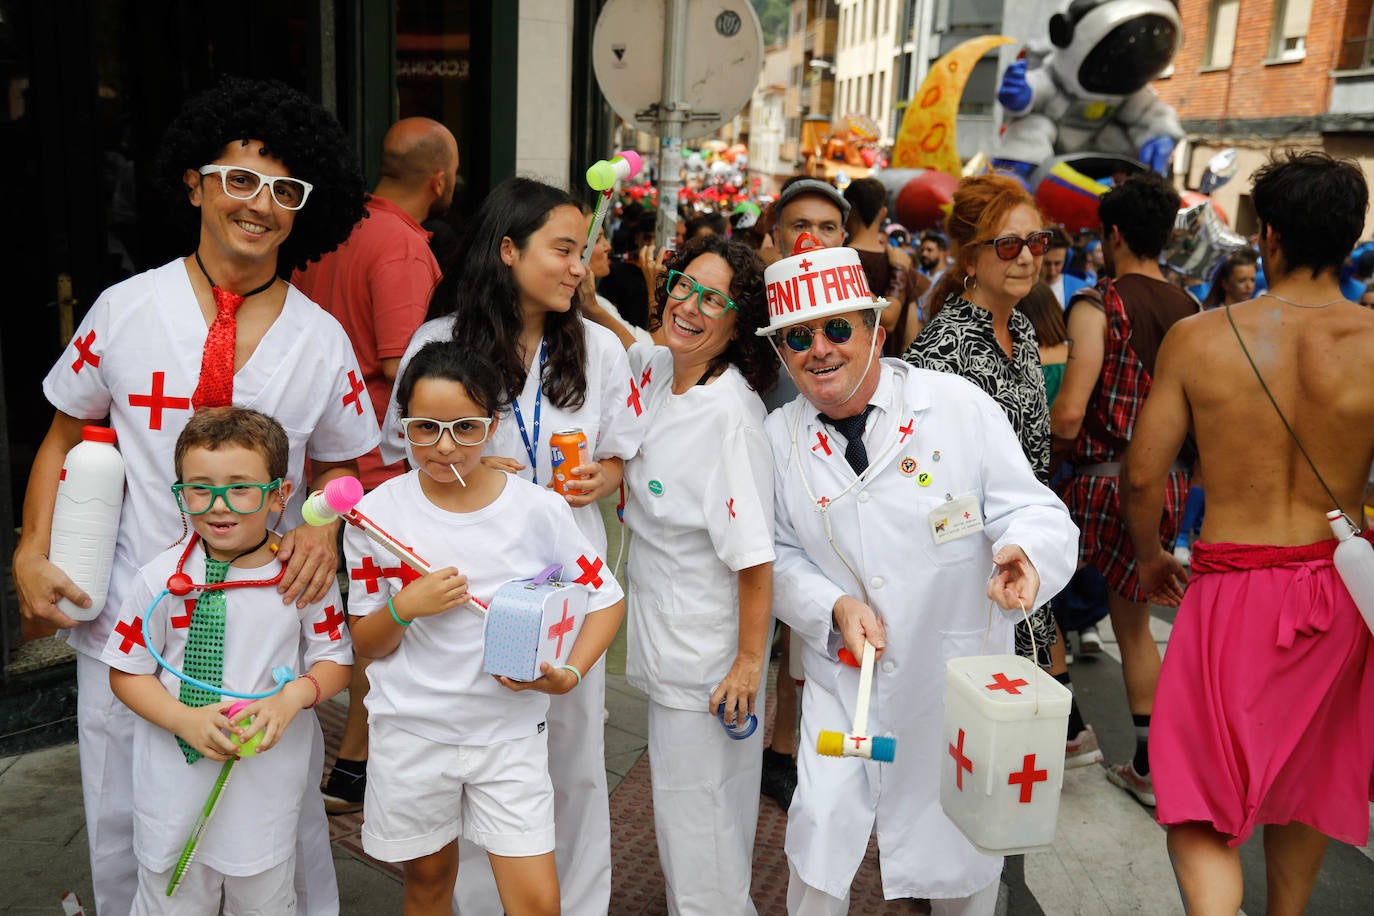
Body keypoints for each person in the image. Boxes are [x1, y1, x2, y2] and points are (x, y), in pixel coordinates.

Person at [14, 76, 375, 915]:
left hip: (266, 632)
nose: (260, 205)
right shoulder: (123, 308)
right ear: (195, 182)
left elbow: (356, 471)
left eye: (286, 190)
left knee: (278, 829)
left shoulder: (321, 341)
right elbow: (62, 437)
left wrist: (322, 526)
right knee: (122, 820)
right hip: (131, 625)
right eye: (240, 178)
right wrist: (31, 550)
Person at [761, 241, 1078, 913]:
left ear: (875, 328)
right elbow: (776, 554)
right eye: (797, 337)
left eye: (838, 328)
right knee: (819, 838)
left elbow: (1031, 506)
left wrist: (1023, 551)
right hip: (846, 684)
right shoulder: (776, 438)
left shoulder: (956, 408)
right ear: (781, 352)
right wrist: (832, 605)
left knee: (961, 855)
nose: (820, 349)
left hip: (952, 680)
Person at [1122, 150, 1374, 915]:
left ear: (1267, 237)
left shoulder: (1201, 339)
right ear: (1350, 238)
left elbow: (1142, 476)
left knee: (1198, 796)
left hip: (1231, 589)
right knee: (1306, 780)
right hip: (1338, 594)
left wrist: (1149, 555)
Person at [382, 176, 640, 915]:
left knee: (573, 756)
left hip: (567, 577)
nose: (577, 268)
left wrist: (602, 474)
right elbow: (404, 454)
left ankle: (575, 904)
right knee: (475, 750)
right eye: (563, 249)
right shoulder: (439, 344)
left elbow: (624, 450)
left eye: (581, 252)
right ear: (507, 250)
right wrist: (465, 465)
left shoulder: (595, 347)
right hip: (469, 580)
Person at [350, 340, 625, 915]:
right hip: (413, 732)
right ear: (401, 425)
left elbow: (605, 598)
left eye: (466, 428)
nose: (445, 446)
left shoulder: (537, 510)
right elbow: (366, 644)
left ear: (493, 424)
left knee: (538, 902)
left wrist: (570, 673)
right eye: (424, 427)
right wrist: (406, 608)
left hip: (510, 735)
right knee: (427, 883)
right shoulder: (376, 516)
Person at [103, 407, 353, 910]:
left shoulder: (301, 579)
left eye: (241, 488)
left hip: (264, 788)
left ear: (281, 495)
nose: (218, 506)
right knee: (169, 895)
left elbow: (336, 662)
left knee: (263, 895)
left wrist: (291, 700)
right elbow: (126, 672)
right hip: (171, 786)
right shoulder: (159, 579)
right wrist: (184, 720)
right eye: (199, 488)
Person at [291, 115, 459, 816]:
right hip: (376, 468)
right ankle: (355, 766)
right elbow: (407, 366)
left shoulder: (332, 228)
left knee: (332, 616)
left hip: (318, 459)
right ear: (440, 181)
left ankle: (325, 762)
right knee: (381, 622)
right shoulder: (400, 246)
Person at [904, 174, 1097, 770]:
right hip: (966, 573)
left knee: (1007, 762)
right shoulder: (945, 347)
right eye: (1008, 246)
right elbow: (924, 482)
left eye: (1036, 243)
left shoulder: (1021, 333)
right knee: (963, 751)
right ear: (971, 256)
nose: (1027, 259)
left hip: (1016, 564)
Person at [621, 235, 778, 913]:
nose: (689, 305)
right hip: (669, 644)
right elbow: (618, 330)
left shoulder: (729, 415)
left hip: (709, 665)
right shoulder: (664, 368)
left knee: (702, 836)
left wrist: (747, 664)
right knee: (694, 826)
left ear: (738, 324)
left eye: (714, 300)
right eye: (685, 284)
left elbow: (755, 556)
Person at [1050, 172, 1199, 807]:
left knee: (1027, 603)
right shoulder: (1192, 310)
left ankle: (1070, 727)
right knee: (1133, 627)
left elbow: (1069, 415)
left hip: (1100, 485)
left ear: (1111, 233)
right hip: (1170, 488)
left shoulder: (1096, 304)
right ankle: (1148, 764)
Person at [757, 175, 855, 812]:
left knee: (809, 615)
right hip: (755, 470)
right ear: (775, 236)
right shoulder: (753, 300)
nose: (812, 238)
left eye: (827, 227)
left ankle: (788, 742)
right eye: (800, 225)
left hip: (826, 482)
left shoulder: (856, 298)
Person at [843, 177, 912, 354]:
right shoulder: (901, 262)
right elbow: (911, 335)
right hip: (892, 368)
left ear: (848, 211)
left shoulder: (839, 261)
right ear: (882, 214)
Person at [1041, 227, 1091, 307]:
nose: (1052, 271)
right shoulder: (1027, 288)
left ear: (1067, 259)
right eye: (1046, 263)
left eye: (1057, 263)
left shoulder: (1081, 288)